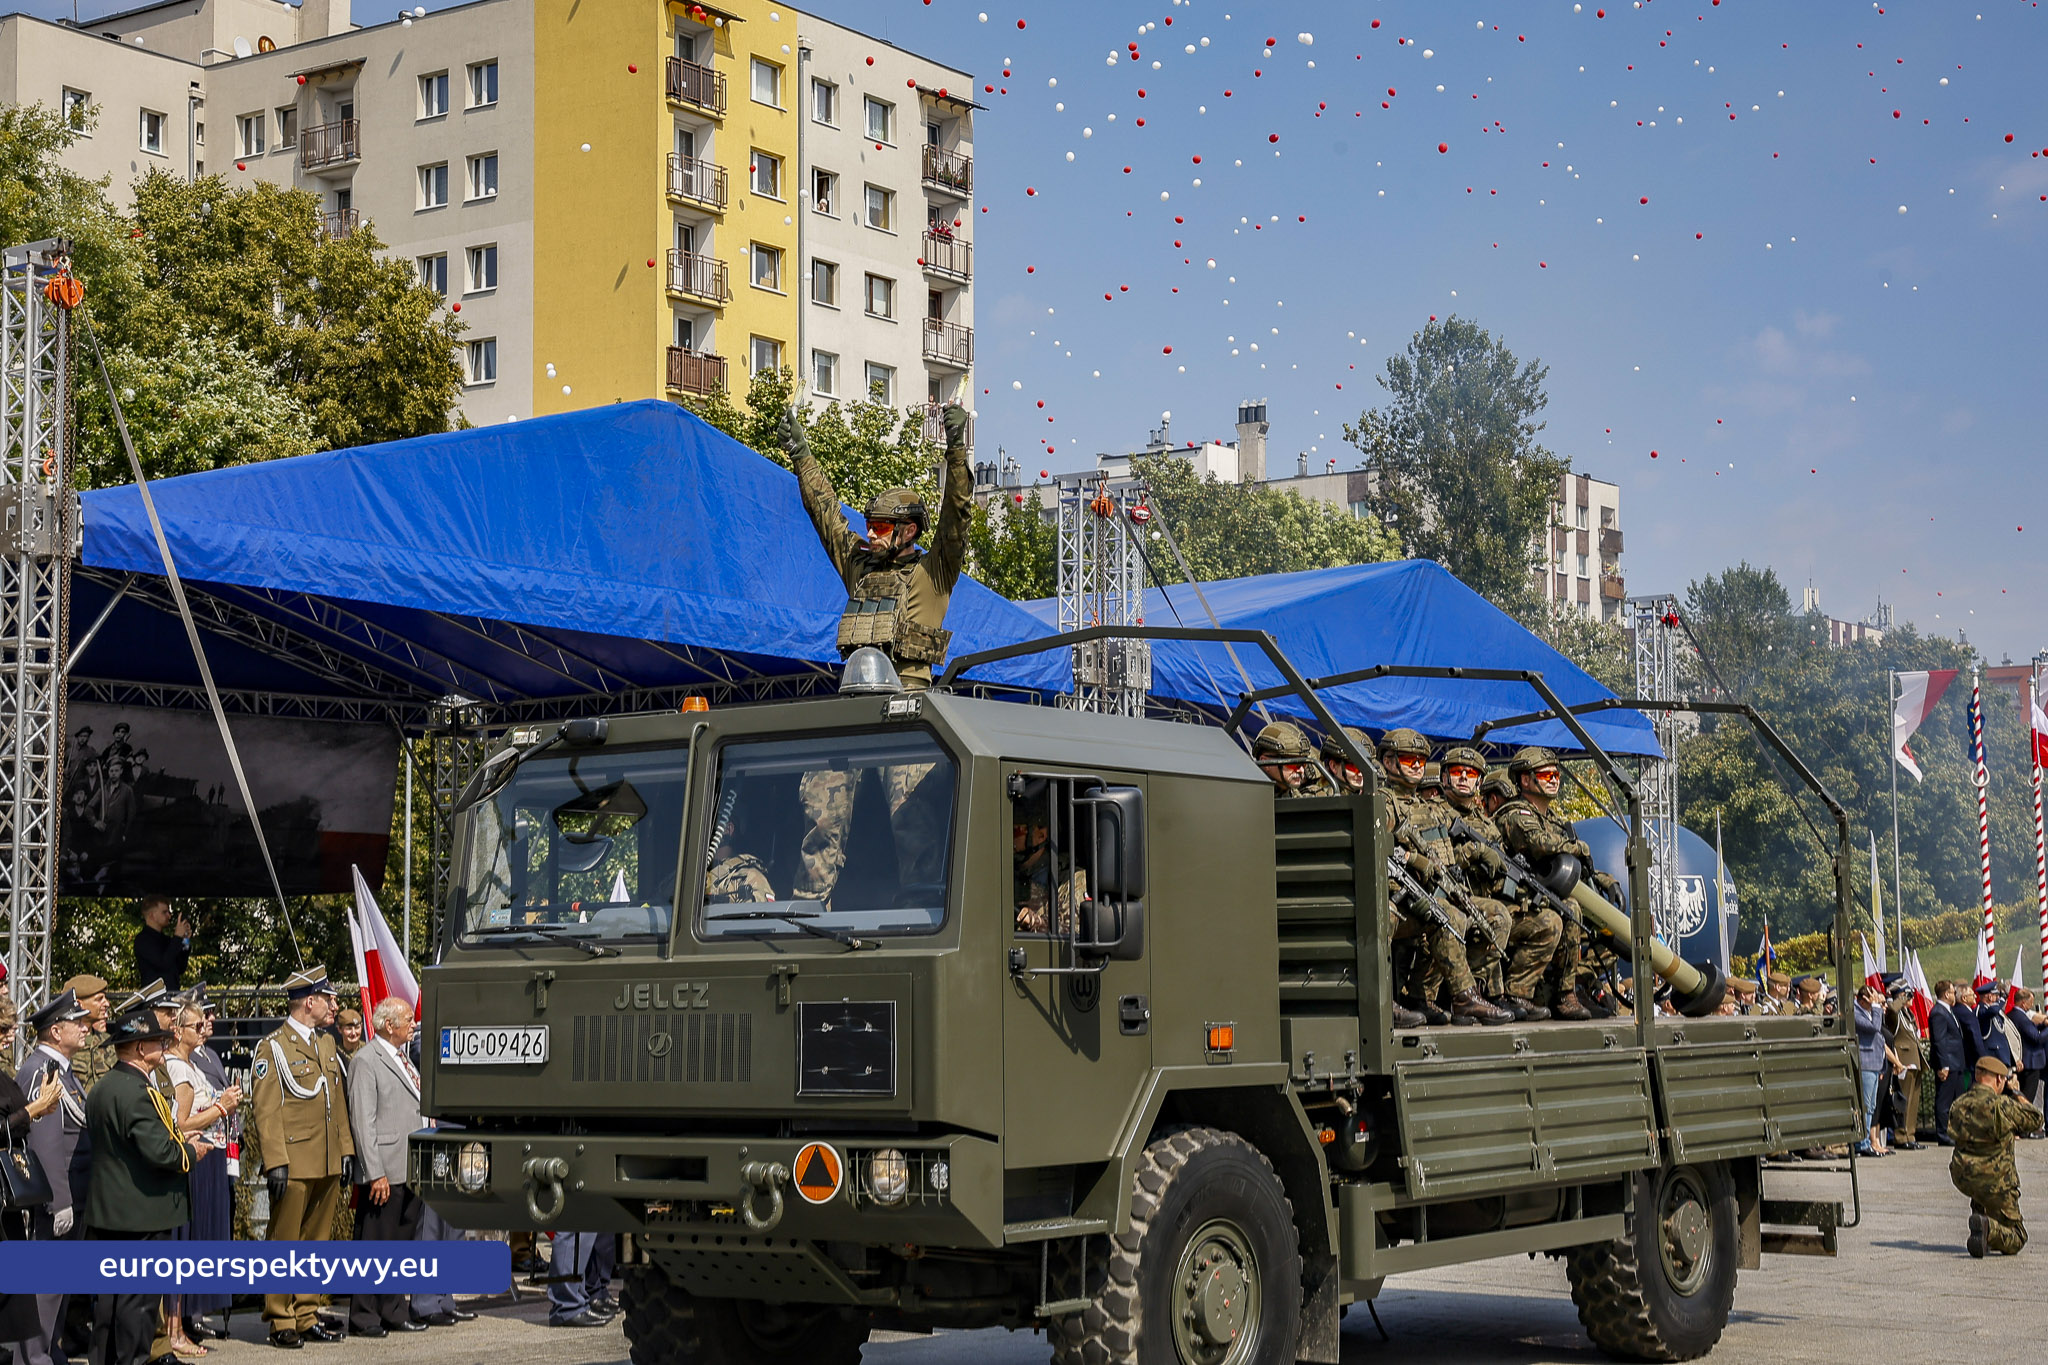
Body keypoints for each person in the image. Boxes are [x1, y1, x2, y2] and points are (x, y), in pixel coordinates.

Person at [785, 399, 973, 693]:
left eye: (882, 527)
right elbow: (825, 514)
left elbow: (955, 514)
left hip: (910, 697)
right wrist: (800, 454)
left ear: (909, 530)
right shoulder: (861, 568)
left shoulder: (934, 572)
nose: (871, 534)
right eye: (870, 525)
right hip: (858, 694)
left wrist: (957, 449)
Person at [84, 1007, 213, 1365]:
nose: (164, 1046)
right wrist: (191, 1151)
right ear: (141, 1048)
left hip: (111, 1212)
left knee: (110, 1302)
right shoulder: (138, 1092)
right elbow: (159, 1152)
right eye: (158, 1040)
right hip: (141, 1214)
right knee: (138, 1305)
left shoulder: (105, 1086)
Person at [250, 967, 355, 1348]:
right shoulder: (274, 1047)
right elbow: (266, 1109)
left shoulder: (326, 1044)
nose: (334, 1006)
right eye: (328, 999)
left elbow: (336, 1102)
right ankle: (281, 1318)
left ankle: (307, 1313)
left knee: (316, 1242)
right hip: (294, 1159)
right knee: (285, 1241)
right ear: (310, 1002)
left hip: (326, 1157)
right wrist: (275, 1160)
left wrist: (346, 1150)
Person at [1379, 729, 1512, 1027]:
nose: (1417, 765)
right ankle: (1451, 997)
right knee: (1447, 916)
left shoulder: (1430, 809)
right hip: (1395, 898)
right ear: (1388, 762)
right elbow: (1375, 852)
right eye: (1408, 759)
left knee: (1494, 916)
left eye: (1421, 760)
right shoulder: (1384, 805)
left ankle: (1454, 994)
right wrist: (1413, 859)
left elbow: (1447, 857)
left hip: (1431, 893)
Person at [1441, 745, 1575, 1022]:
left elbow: (1501, 863)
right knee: (1497, 915)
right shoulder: (1437, 814)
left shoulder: (1485, 822)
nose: (1464, 777)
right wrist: (1473, 852)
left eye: (1471, 774)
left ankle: (1515, 993)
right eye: (1457, 772)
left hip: (1488, 899)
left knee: (1550, 920)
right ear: (1445, 778)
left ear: (1479, 781)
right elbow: (1436, 860)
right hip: (1453, 899)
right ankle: (1472, 994)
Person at [1493, 747, 1612, 1020]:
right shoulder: (1516, 814)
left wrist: (1606, 881)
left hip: (1539, 900)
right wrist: (1579, 847)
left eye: (1556, 775)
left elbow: (1573, 861)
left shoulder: (1553, 820)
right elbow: (1540, 845)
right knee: (1567, 910)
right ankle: (1554, 994)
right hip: (1513, 902)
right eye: (1546, 775)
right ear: (1525, 780)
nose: (1554, 780)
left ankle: (1580, 984)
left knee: (1608, 930)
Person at [14, 991, 93, 1365]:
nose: (85, 1028)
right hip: (55, 1200)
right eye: (78, 1022)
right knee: (44, 1288)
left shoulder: (63, 1071)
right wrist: (58, 1201)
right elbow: (45, 1143)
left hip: (73, 1194)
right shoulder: (42, 1071)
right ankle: (34, 1357)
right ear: (56, 1031)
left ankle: (49, 1351)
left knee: (59, 1287)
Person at [347, 998, 431, 1339]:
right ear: (388, 1025)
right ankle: (364, 1315)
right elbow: (363, 1120)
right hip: (384, 1168)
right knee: (374, 1244)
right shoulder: (367, 1060)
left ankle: (393, 1309)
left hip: (409, 1165)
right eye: (407, 1019)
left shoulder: (403, 1058)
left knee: (400, 1245)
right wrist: (374, 1172)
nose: (413, 1024)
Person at [164, 1002, 240, 1357]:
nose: (203, 1029)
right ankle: (173, 1330)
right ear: (178, 1030)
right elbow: (180, 1124)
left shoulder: (194, 1063)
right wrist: (221, 1107)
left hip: (208, 1159)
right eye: (195, 1025)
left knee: (195, 1247)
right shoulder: (177, 1067)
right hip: (191, 1163)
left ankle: (182, 1325)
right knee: (183, 1247)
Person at [1, 997, 67, 1359]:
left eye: (12, 1028)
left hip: (7, 1204)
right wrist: (34, 1109)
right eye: (2, 1028)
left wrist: (37, 1111)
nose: (9, 1035)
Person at [1947, 1055, 2044, 1257]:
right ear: (2000, 1079)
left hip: (1964, 1177)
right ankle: (1988, 1229)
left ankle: (1981, 1218)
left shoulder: (1959, 1104)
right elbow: (2036, 1119)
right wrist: (2016, 1091)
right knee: (2017, 1237)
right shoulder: (2002, 1105)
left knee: (1980, 1181)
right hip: (1996, 1180)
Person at [1852, 983, 1893, 1157]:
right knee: (1866, 1105)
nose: (1876, 1001)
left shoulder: (1870, 1011)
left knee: (1871, 1106)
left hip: (1875, 1063)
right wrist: (1876, 1007)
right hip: (1866, 1063)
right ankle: (1862, 1143)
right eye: (1872, 998)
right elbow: (1874, 1028)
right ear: (1863, 999)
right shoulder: (1855, 1012)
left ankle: (1866, 1141)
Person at [1930, 980, 1970, 1145]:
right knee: (1944, 1101)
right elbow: (1939, 1041)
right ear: (1946, 994)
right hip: (1948, 1064)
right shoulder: (1938, 1013)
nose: (1955, 995)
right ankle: (1943, 1134)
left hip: (1957, 1063)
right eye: (1953, 992)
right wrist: (1943, 1065)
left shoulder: (1948, 1010)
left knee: (1957, 1100)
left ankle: (1956, 1132)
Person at [1886, 985, 1925, 1150]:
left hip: (1914, 1060)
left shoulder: (1908, 1014)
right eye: (1907, 995)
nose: (1910, 999)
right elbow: (1891, 1010)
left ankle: (1910, 1134)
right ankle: (1901, 1136)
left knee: (1913, 1102)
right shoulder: (1895, 1014)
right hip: (1903, 1061)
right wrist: (1901, 999)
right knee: (1904, 1100)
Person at [64, 974, 117, 1092]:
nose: (107, 1004)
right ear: (79, 1004)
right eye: (99, 999)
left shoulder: (108, 1042)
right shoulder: (63, 1044)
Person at [1252, 722, 1328, 797]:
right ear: (1266, 762)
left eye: (1303, 763)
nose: (1301, 770)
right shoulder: (1250, 794)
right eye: (1294, 763)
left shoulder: (1299, 795)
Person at [133, 896, 192, 994]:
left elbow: (180, 967)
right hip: (154, 998)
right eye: (164, 912)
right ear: (152, 916)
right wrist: (177, 937)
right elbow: (163, 964)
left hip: (173, 995)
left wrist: (185, 940)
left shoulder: (167, 940)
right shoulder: (142, 940)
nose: (169, 916)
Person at [2011, 989, 2048, 1118]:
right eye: (2030, 1002)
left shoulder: (2014, 1015)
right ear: (2023, 1003)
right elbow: (2036, 1038)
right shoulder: (2021, 1017)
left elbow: (2031, 1031)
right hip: (2031, 1062)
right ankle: (2023, 1123)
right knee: (2027, 1097)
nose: (2032, 1005)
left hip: (2027, 1060)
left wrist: (2043, 1025)